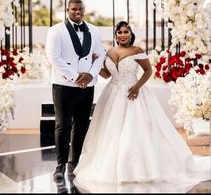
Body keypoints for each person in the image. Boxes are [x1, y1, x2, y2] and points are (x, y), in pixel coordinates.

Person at [73, 21, 211, 193]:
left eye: (126, 32)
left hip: (133, 92)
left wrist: (137, 87)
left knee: (134, 131)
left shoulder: (137, 51)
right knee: (111, 131)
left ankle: (139, 169)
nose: (122, 35)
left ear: (130, 34)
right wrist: (97, 64)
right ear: (115, 35)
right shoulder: (109, 52)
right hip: (112, 95)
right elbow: (107, 75)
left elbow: (148, 71)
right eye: (119, 32)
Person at [45, 0, 105, 183]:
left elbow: (100, 54)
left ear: (84, 10)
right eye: (73, 9)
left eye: (80, 9)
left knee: (81, 125)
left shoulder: (93, 30)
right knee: (62, 125)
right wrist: (74, 76)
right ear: (67, 10)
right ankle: (60, 165)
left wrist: (91, 74)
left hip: (87, 85)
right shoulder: (56, 30)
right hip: (64, 85)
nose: (77, 12)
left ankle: (74, 163)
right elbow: (53, 57)